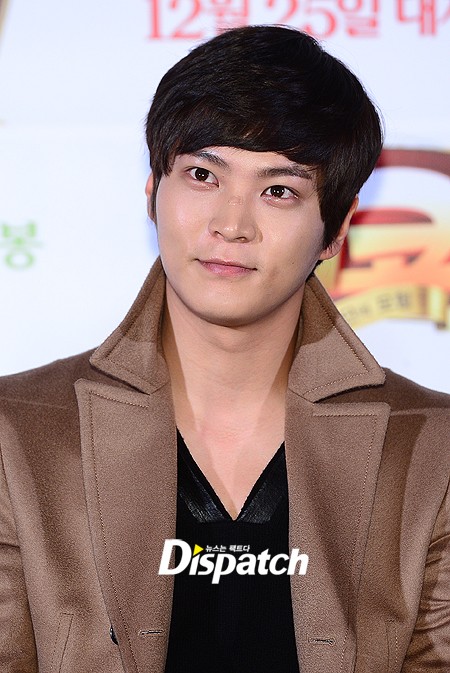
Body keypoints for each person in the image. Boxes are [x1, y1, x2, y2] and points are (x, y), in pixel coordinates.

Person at [0, 25, 448, 673]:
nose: (231, 224)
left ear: (335, 230)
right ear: (152, 192)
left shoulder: (433, 448)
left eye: (279, 190)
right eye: (203, 174)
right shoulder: (17, 433)